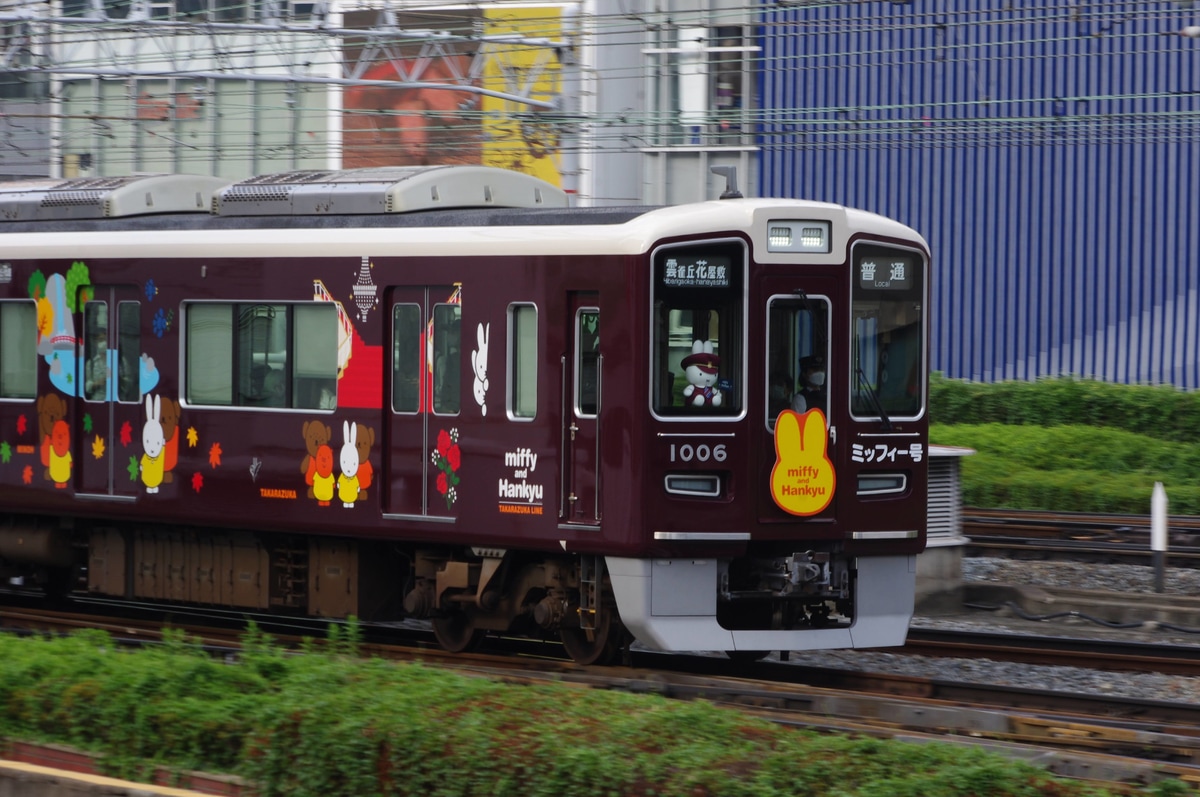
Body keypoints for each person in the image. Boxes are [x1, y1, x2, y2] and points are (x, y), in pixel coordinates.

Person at [84, 328, 109, 401]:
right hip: (97, 402)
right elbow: (87, 387)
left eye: (105, 340)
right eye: (101, 340)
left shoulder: (120, 361)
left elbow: (129, 384)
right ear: (96, 343)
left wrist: (118, 380)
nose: (103, 343)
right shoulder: (91, 363)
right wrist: (96, 384)